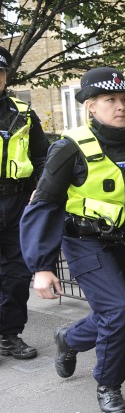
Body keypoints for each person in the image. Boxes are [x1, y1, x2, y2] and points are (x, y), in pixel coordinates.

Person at [21, 67, 125, 413]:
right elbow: (44, 205)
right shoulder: (69, 148)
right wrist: (41, 266)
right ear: (91, 107)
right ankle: (108, 384)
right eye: (110, 100)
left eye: (124, 99)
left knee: (114, 314)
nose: (120, 106)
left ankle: (69, 339)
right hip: (85, 242)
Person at [0, 46, 49, 362]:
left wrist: (41, 190)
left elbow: (43, 157)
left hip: (17, 200)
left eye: (0, 72)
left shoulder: (24, 112)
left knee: (17, 273)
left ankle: (9, 335)